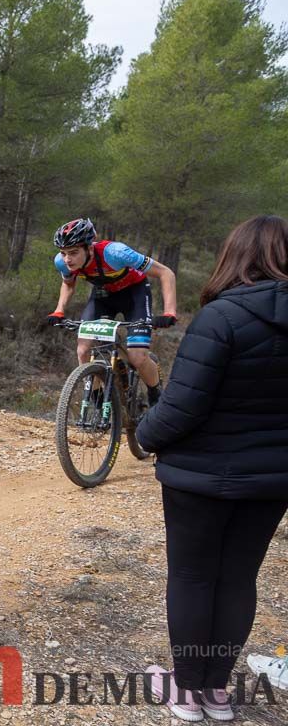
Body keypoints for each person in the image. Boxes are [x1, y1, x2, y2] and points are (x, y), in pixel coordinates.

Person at [134, 215, 288, 722]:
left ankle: (185, 691)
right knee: (239, 578)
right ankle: (217, 694)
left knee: (194, 578)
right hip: (272, 480)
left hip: (200, 477)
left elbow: (181, 408)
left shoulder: (221, 319)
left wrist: (144, 434)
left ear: (235, 257)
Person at [46, 217, 177, 405]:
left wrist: (169, 312)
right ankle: (100, 403)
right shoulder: (61, 262)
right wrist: (59, 310)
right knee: (83, 350)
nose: (67, 259)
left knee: (137, 356)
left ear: (89, 248)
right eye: (63, 253)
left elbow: (166, 273)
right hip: (103, 297)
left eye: (73, 253)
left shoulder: (116, 253)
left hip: (135, 295)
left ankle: (155, 395)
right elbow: (68, 284)